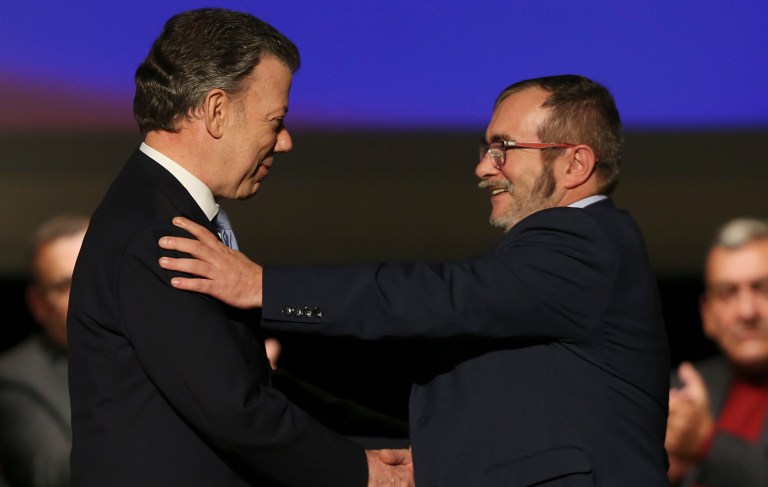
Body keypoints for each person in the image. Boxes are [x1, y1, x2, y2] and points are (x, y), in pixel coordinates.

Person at [158, 74, 671, 486]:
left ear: (576, 161)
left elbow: (439, 298)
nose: (482, 168)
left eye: (503, 148)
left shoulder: (586, 239)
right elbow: (442, 375)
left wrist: (264, 288)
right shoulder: (562, 266)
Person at [67, 8, 412, 487]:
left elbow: (245, 384)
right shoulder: (156, 231)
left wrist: (377, 443)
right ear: (216, 111)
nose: (285, 142)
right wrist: (365, 473)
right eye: (276, 120)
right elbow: (233, 407)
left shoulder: (162, 209)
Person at [666, 217, 768, 487]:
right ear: (708, 315)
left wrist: (706, 442)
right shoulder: (676, 395)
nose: (747, 311)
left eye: (762, 288)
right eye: (728, 293)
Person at [0, 215, 87, 487]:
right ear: (38, 304)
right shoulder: (14, 377)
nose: (86, 293)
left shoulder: (163, 350)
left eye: (95, 273)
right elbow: (55, 477)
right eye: (66, 285)